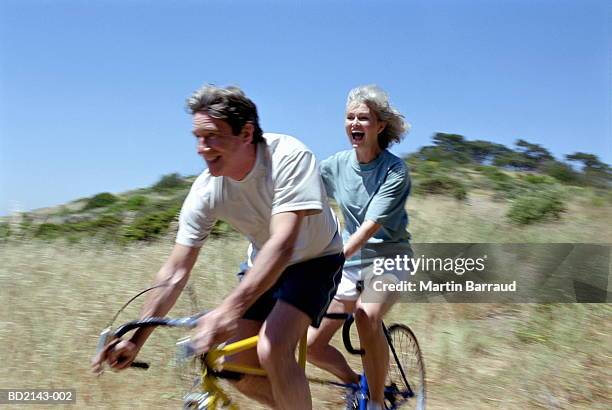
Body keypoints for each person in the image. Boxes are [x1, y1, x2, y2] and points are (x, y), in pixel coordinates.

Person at [91, 84, 344, 410]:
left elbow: (283, 244)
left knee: (273, 347)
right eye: (196, 137)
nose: (200, 147)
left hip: (315, 258)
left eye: (211, 136)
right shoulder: (206, 190)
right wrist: (136, 338)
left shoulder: (289, 157)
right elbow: (175, 271)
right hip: (262, 261)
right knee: (236, 368)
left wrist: (229, 310)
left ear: (246, 133)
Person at [307, 85, 412, 410]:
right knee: (309, 345)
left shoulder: (394, 171)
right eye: (350, 117)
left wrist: (333, 259)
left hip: (389, 260)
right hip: (348, 265)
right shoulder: (335, 165)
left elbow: (370, 226)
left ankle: (377, 403)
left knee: (367, 316)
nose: (355, 123)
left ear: (380, 125)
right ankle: (356, 383)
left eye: (363, 118)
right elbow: (303, 197)